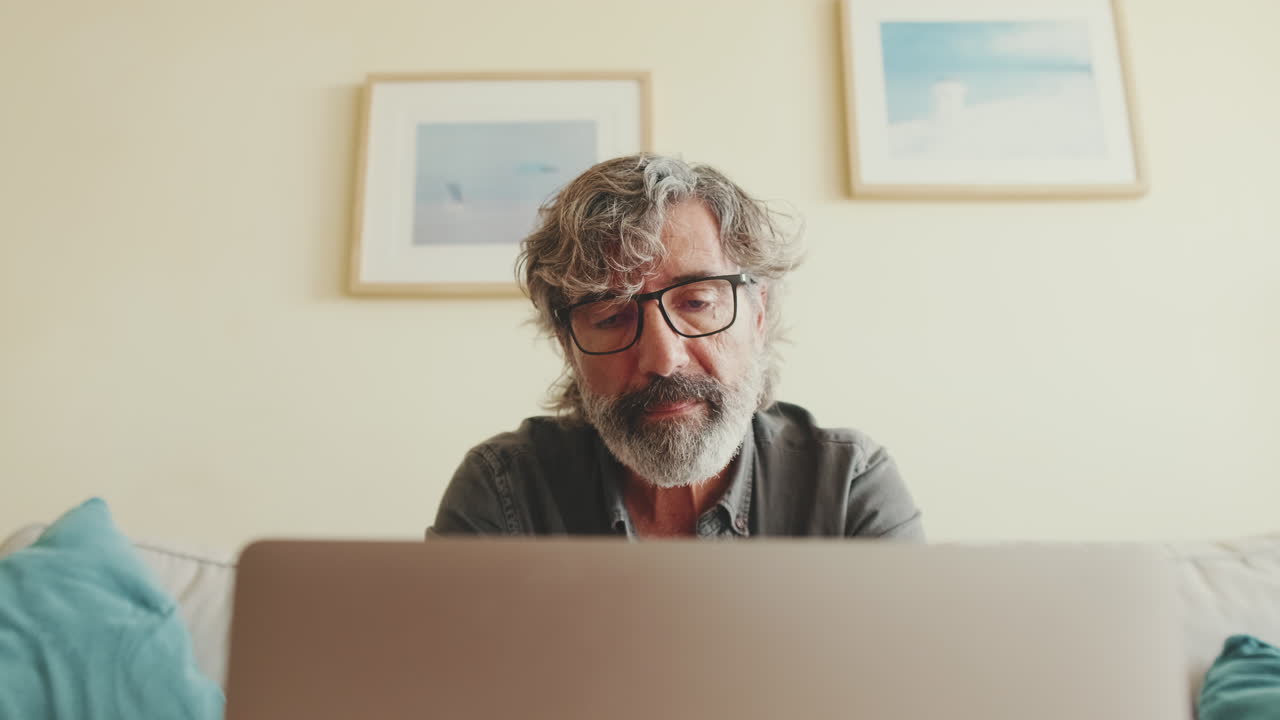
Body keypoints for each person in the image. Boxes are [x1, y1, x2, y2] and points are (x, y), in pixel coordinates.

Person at [430, 154, 923, 540]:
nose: (663, 359)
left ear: (757, 314)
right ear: (567, 345)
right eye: (611, 316)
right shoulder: (505, 487)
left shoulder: (847, 485)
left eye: (697, 302)